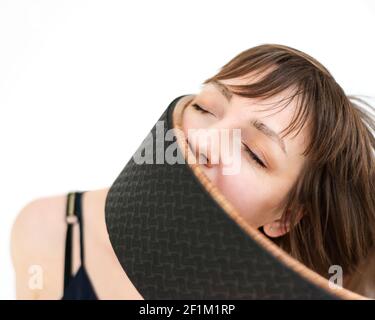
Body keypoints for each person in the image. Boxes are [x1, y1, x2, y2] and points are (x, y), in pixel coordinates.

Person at [11, 44, 375, 299]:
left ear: (286, 216)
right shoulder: (51, 228)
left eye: (252, 152)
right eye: (205, 108)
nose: (205, 141)